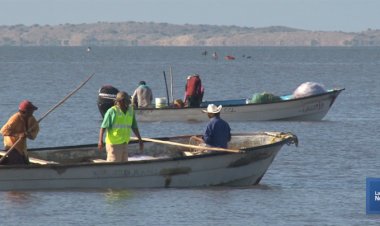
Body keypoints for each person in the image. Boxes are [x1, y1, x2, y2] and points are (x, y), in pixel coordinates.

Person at [98, 91, 144, 162]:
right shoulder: (112, 111)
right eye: (126, 101)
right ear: (121, 101)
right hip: (114, 144)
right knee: (113, 166)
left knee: (124, 165)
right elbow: (103, 127)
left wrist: (140, 139)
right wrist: (100, 141)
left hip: (124, 143)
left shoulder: (130, 111)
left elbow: (134, 126)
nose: (128, 103)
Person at [0, 100, 40, 165]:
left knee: (26, 163)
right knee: (19, 164)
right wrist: (18, 135)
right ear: (25, 111)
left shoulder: (31, 118)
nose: (33, 112)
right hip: (12, 146)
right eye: (31, 111)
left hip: (22, 148)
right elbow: (3, 131)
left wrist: (28, 135)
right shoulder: (15, 118)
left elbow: (35, 131)